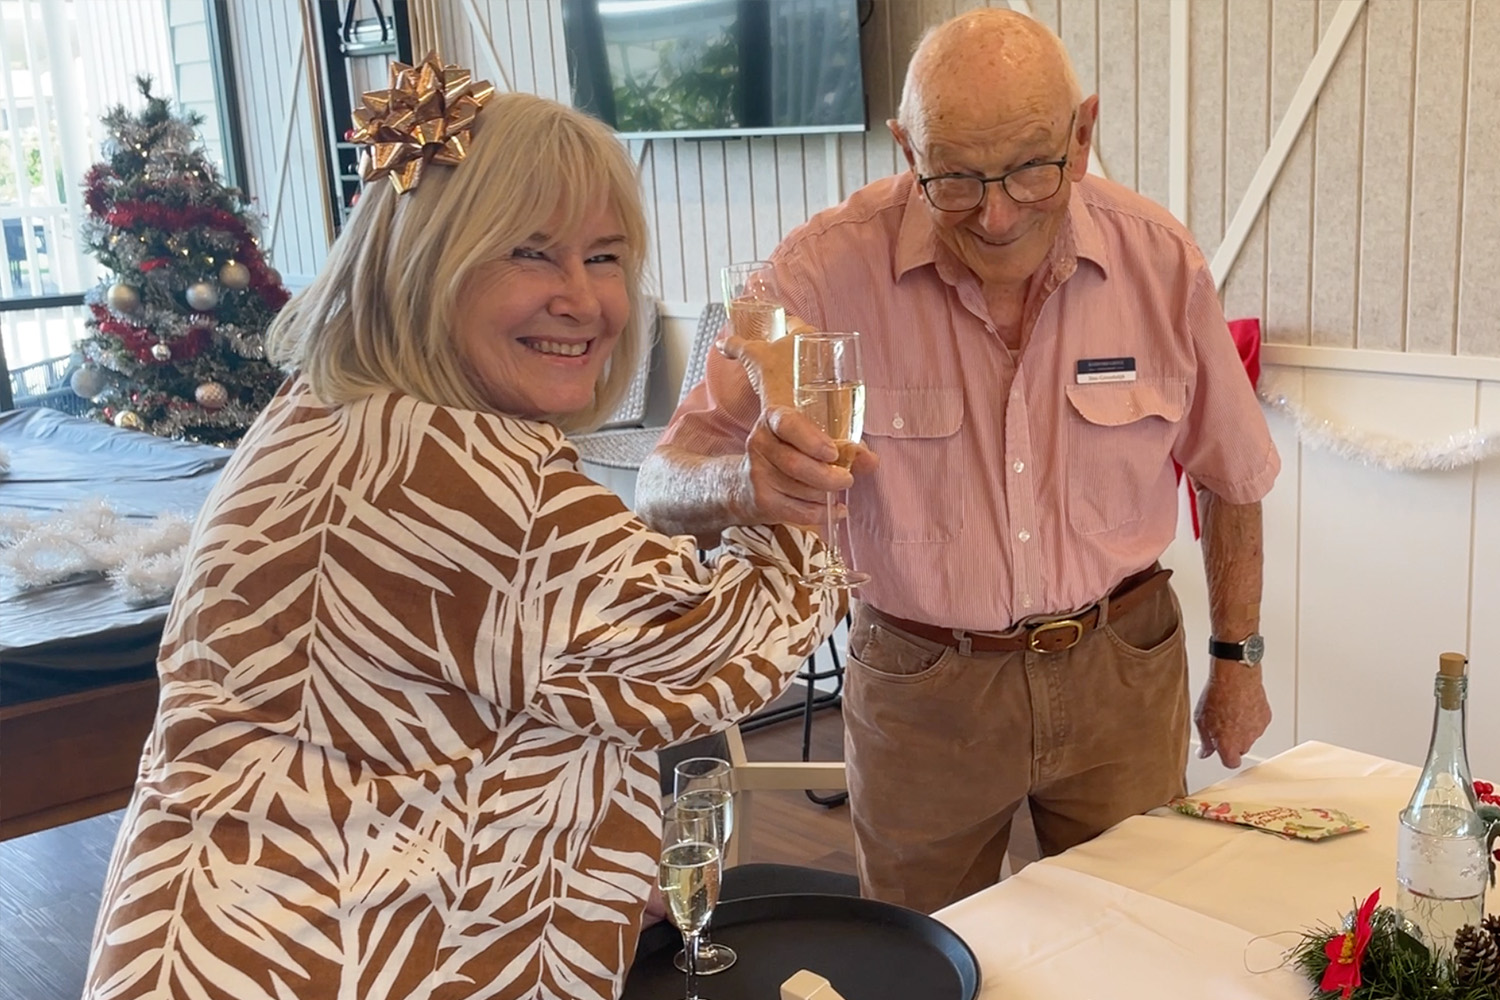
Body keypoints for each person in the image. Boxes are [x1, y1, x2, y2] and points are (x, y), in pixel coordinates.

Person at [82, 72, 841, 1000]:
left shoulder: (329, 408)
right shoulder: (464, 477)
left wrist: (580, 851)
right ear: (426, 262)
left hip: (231, 935)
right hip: (321, 959)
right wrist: (800, 468)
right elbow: (717, 657)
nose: (582, 298)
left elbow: (448, 725)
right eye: (530, 253)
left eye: (605, 257)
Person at [636, 9, 1280, 915]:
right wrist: (742, 480)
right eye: (955, 178)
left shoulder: (1160, 262)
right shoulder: (821, 273)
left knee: (1136, 940)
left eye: (1029, 169)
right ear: (907, 149)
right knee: (921, 950)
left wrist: (1239, 660)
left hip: (1123, 673)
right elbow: (660, 480)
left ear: (1082, 135)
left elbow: (1233, 473)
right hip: (922, 687)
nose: (997, 213)